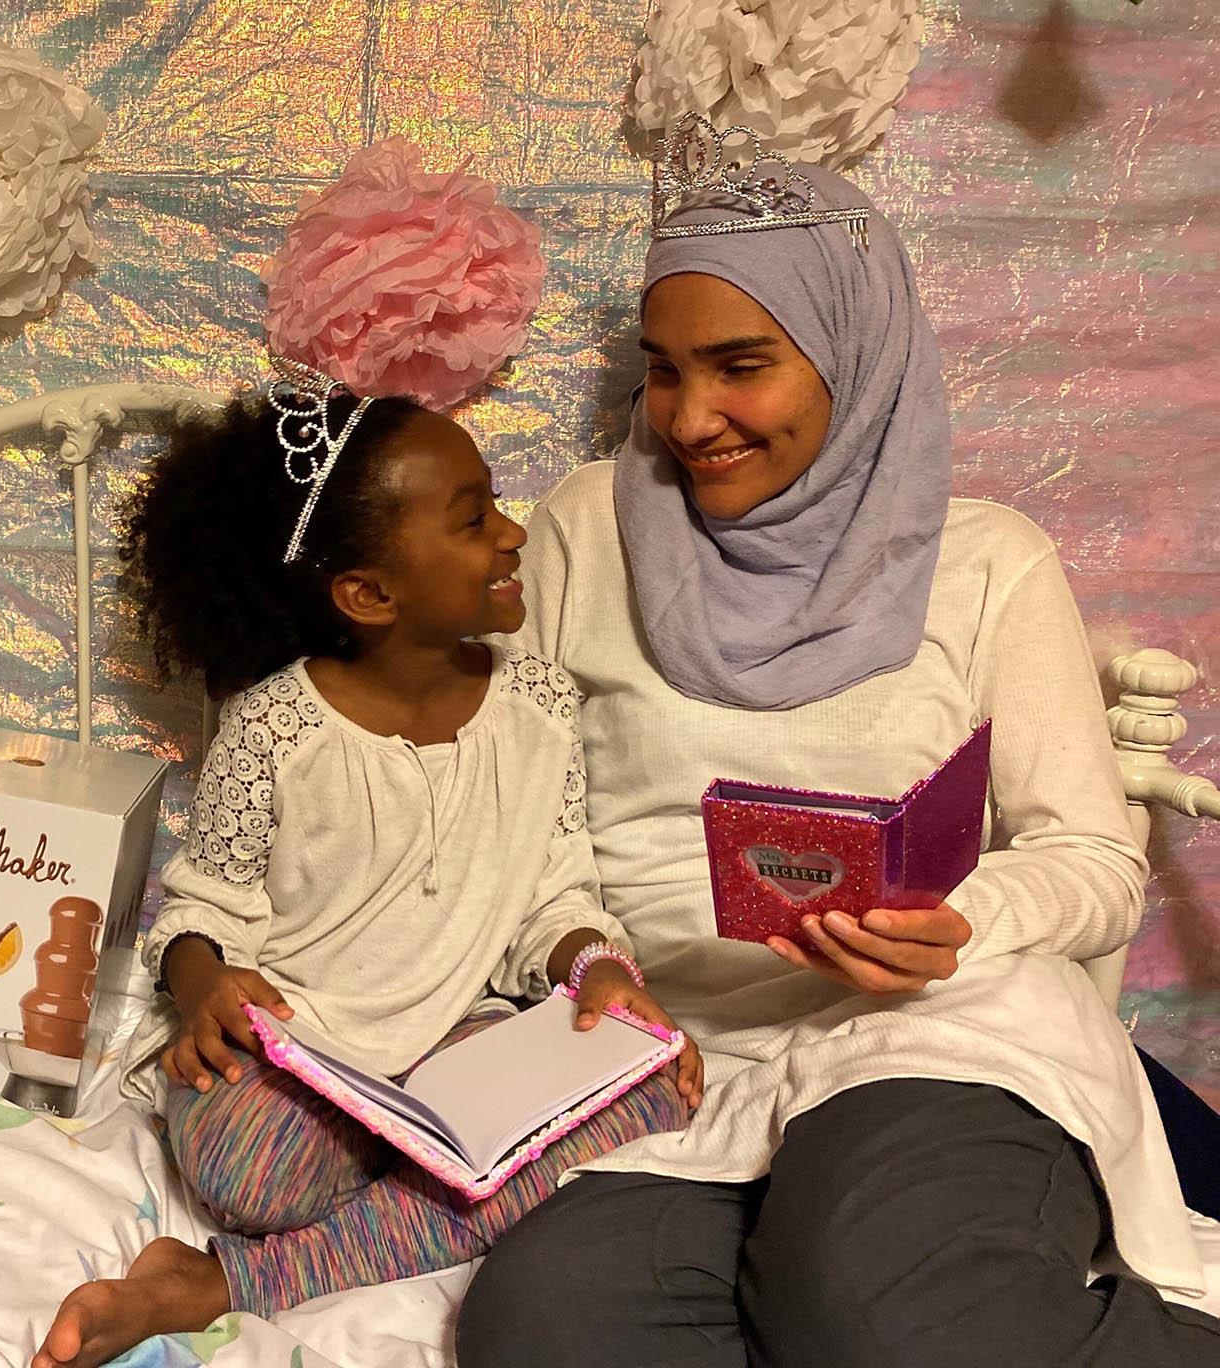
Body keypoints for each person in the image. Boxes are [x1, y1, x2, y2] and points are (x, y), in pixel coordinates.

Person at [456, 136, 1220, 1366]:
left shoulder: (985, 559)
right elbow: (519, 819)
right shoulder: (586, 528)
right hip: (683, 1067)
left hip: (938, 1030)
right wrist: (588, 958)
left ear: (855, 359)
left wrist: (964, 916)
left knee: (869, 1310)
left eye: (741, 367)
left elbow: (1092, 861)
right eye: (663, 373)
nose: (692, 419)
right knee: (545, 1323)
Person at [32, 366, 698, 1368]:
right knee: (251, 1177)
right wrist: (209, 985)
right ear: (370, 592)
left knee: (658, 1098)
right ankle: (423, 1185)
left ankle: (219, 1281)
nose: (514, 534)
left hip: (456, 1044)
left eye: (497, 509)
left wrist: (595, 969)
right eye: (474, 520)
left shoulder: (541, 706)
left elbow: (555, 895)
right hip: (306, 1051)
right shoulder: (276, 729)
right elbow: (202, 907)